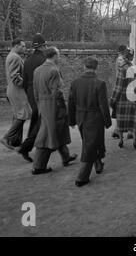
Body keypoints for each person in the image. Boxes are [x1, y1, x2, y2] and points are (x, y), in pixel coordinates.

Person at [32, 47, 77, 175]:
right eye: (58, 55)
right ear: (54, 56)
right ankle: (38, 166)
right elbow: (56, 92)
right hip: (53, 105)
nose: (60, 57)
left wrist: (40, 105)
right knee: (49, 134)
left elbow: (35, 92)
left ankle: (66, 157)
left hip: (43, 104)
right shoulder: (54, 70)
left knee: (58, 131)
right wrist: (63, 108)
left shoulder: (37, 70)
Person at [68, 57, 112, 187]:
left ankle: (98, 165)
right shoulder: (99, 83)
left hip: (81, 118)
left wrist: (71, 120)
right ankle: (82, 177)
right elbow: (103, 105)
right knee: (90, 146)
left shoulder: (75, 83)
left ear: (84, 67)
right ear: (96, 68)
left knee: (91, 143)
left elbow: (71, 102)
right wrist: (107, 121)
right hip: (94, 118)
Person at [14, 34, 47, 162]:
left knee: (37, 119)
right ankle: (26, 147)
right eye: (45, 45)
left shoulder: (27, 60)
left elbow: (24, 80)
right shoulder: (44, 59)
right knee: (41, 121)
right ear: (43, 46)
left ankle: (33, 147)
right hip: (41, 92)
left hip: (30, 92)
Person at [0, 39, 32, 152]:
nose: (25, 48)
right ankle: (6, 137)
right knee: (24, 114)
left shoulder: (11, 56)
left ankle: (15, 140)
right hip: (17, 90)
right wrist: (26, 82)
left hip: (12, 89)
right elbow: (15, 76)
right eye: (23, 46)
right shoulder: (15, 57)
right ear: (16, 46)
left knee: (18, 114)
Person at [111, 48, 136, 149]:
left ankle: (121, 140)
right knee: (133, 120)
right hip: (133, 98)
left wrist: (113, 99)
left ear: (125, 56)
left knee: (121, 120)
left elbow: (119, 86)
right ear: (131, 57)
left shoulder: (122, 68)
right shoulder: (133, 68)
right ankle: (134, 141)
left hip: (123, 99)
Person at [111, 45, 127, 139]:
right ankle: (116, 130)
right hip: (120, 84)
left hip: (119, 83)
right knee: (119, 109)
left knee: (120, 109)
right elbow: (122, 70)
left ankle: (117, 130)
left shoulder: (119, 58)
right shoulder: (121, 59)